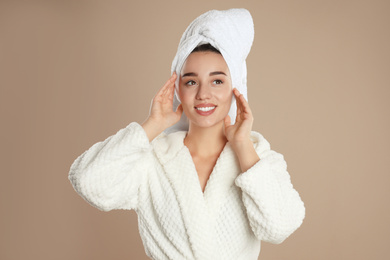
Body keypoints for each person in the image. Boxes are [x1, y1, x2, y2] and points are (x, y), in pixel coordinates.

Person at [68, 8, 305, 260]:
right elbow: (88, 181)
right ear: (177, 89)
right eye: (191, 81)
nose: (203, 93)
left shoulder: (257, 158)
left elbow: (281, 226)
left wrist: (243, 145)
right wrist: (153, 124)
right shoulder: (153, 159)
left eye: (217, 81)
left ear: (235, 87)